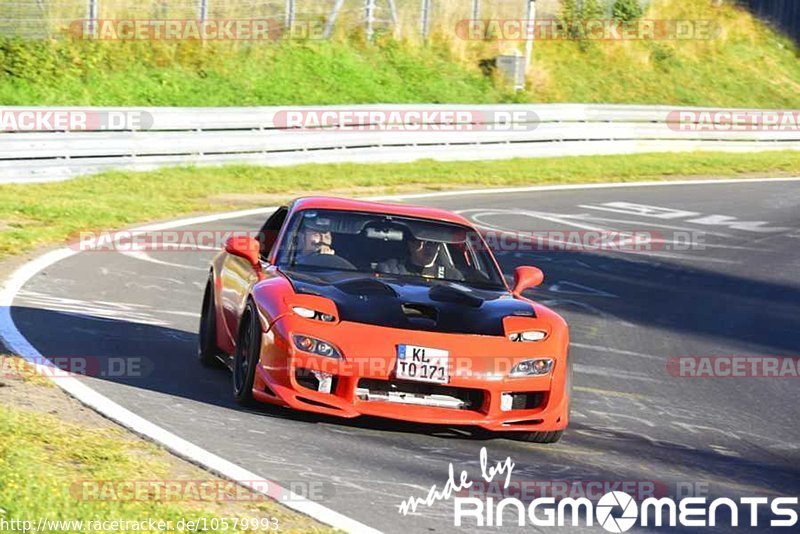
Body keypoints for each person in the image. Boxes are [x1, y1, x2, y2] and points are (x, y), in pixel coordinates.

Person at [377, 236, 464, 280]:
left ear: (438, 247)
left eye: (433, 243)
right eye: (423, 242)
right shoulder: (393, 270)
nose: (428, 248)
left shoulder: (452, 276)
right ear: (411, 245)